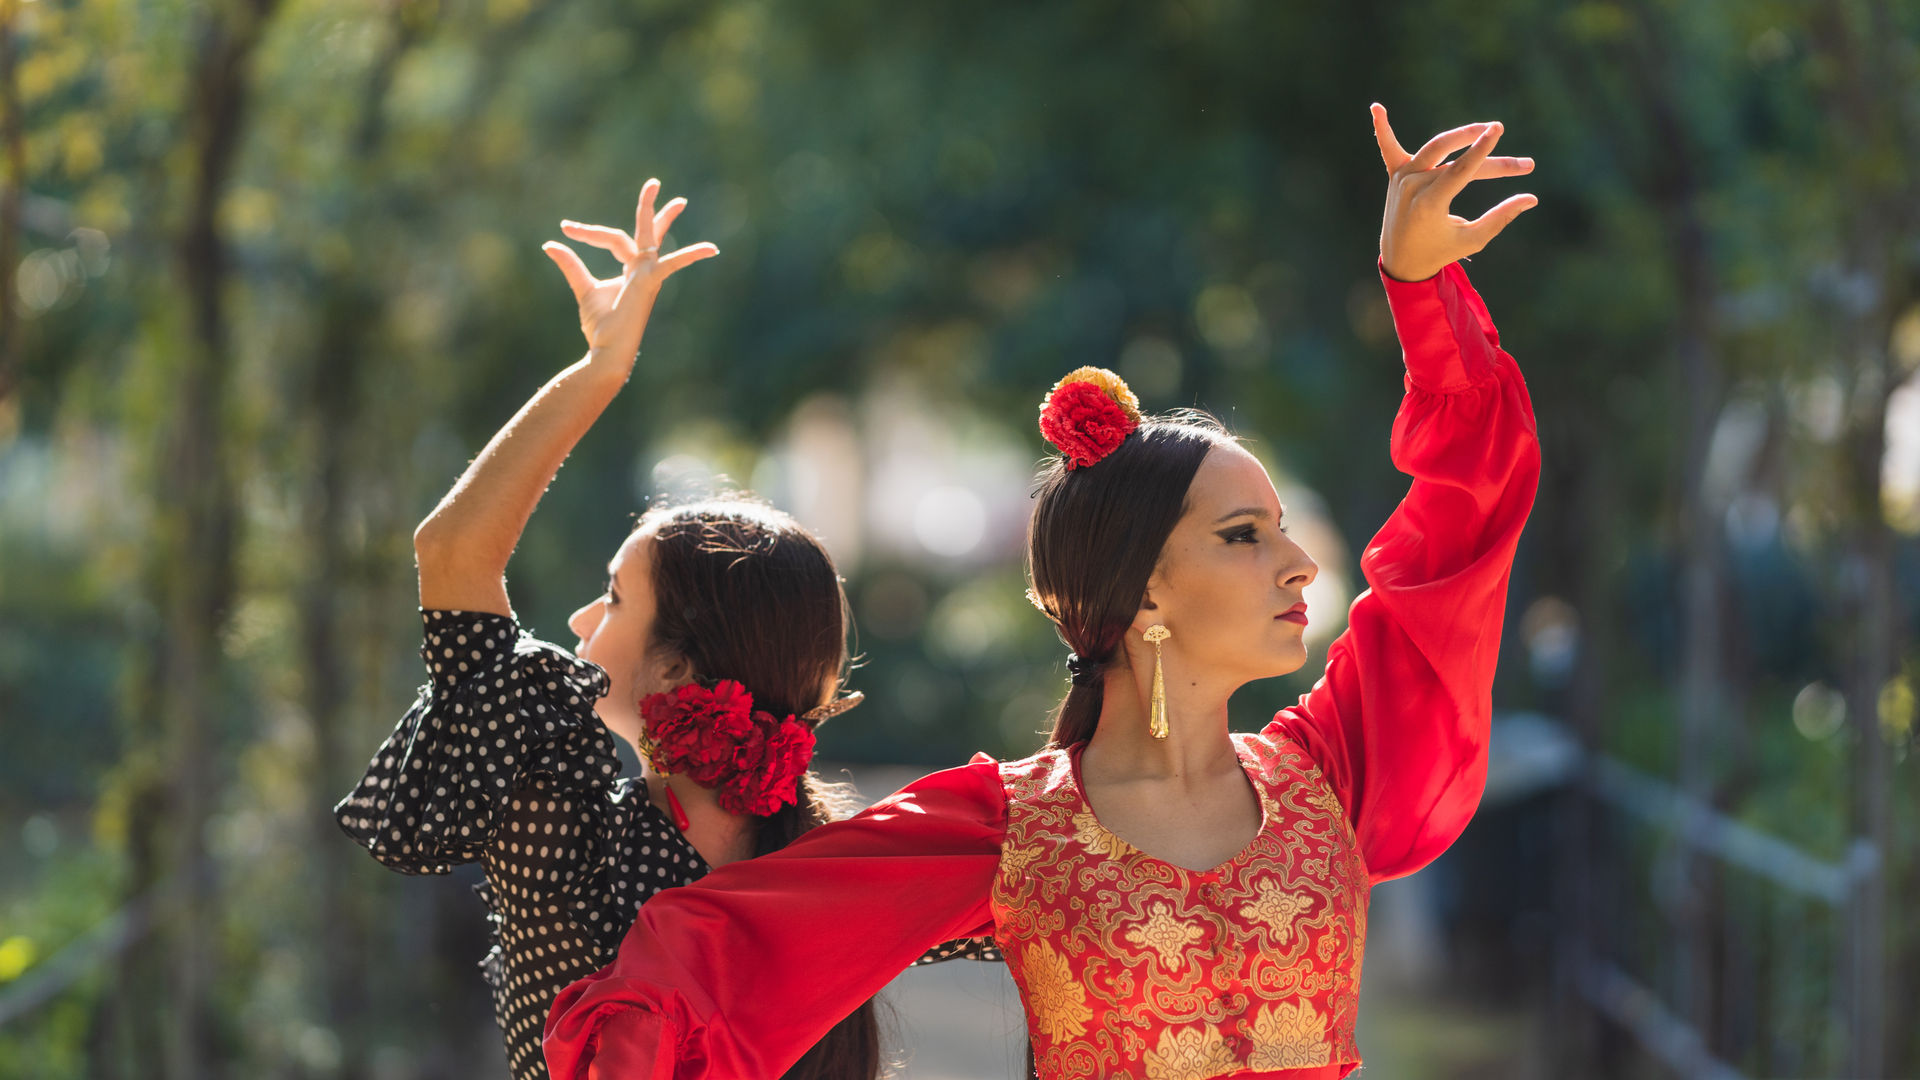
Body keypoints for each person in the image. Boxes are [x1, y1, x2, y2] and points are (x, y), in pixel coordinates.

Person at [541, 104, 1542, 1080]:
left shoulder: (1332, 777)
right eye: (1244, 536)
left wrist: (1419, 284)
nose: (1299, 566)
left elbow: (1466, 523)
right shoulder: (1008, 828)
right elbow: (709, 957)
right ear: (1142, 593)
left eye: (1281, 531)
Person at [332, 180, 982, 1080]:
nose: (579, 620)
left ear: (678, 669)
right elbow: (1073, 889)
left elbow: (452, 553)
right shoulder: (834, 872)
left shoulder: (562, 831)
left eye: (614, 598)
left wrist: (600, 369)